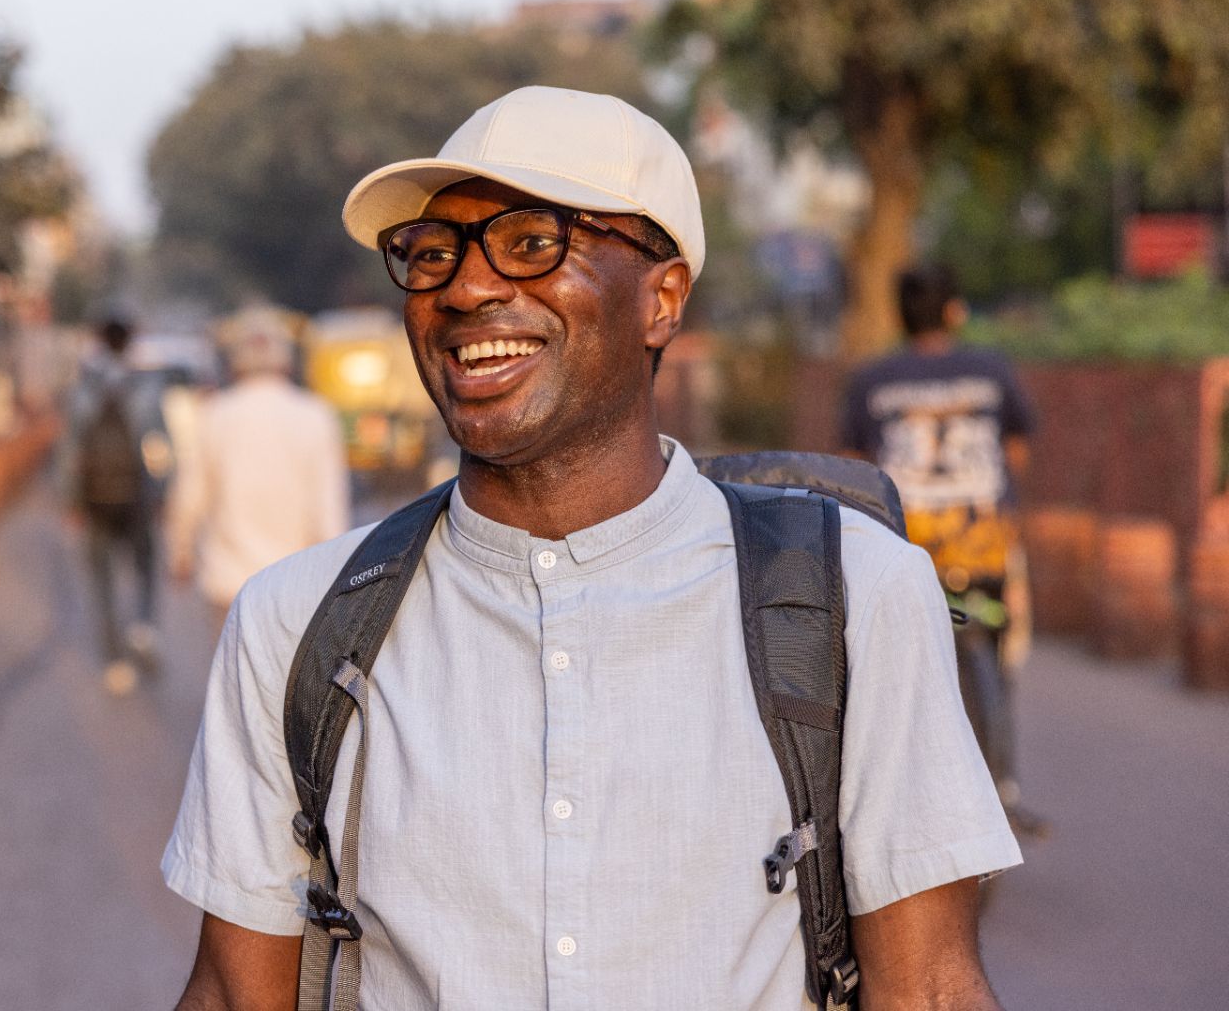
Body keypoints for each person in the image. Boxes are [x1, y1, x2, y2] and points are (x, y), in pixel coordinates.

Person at [163, 87, 1019, 1010]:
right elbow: (230, 992)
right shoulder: (296, 624)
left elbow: (927, 988)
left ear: (662, 297)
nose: (464, 286)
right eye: (431, 252)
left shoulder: (856, 597)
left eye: (533, 243)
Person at [840, 266, 1047, 838]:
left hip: (902, 551)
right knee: (1004, 651)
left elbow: (850, 466)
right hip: (983, 550)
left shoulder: (872, 380)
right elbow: (1018, 452)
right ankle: (1004, 784)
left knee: (882, 665)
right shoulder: (992, 371)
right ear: (954, 311)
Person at [166, 306, 350, 616]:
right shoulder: (316, 416)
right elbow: (328, 510)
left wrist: (179, 553)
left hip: (229, 586)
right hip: (299, 586)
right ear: (287, 360)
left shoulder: (215, 415)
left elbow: (190, 496)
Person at [60, 315, 171, 695]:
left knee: (102, 578)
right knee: (145, 566)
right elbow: (159, 446)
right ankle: (142, 625)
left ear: (98, 341)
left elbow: (70, 452)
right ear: (131, 342)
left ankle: (115, 665)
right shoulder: (146, 386)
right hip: (138, 493)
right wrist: (161, 491)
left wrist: (70, 500)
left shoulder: (81, 389)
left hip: (94, 499)